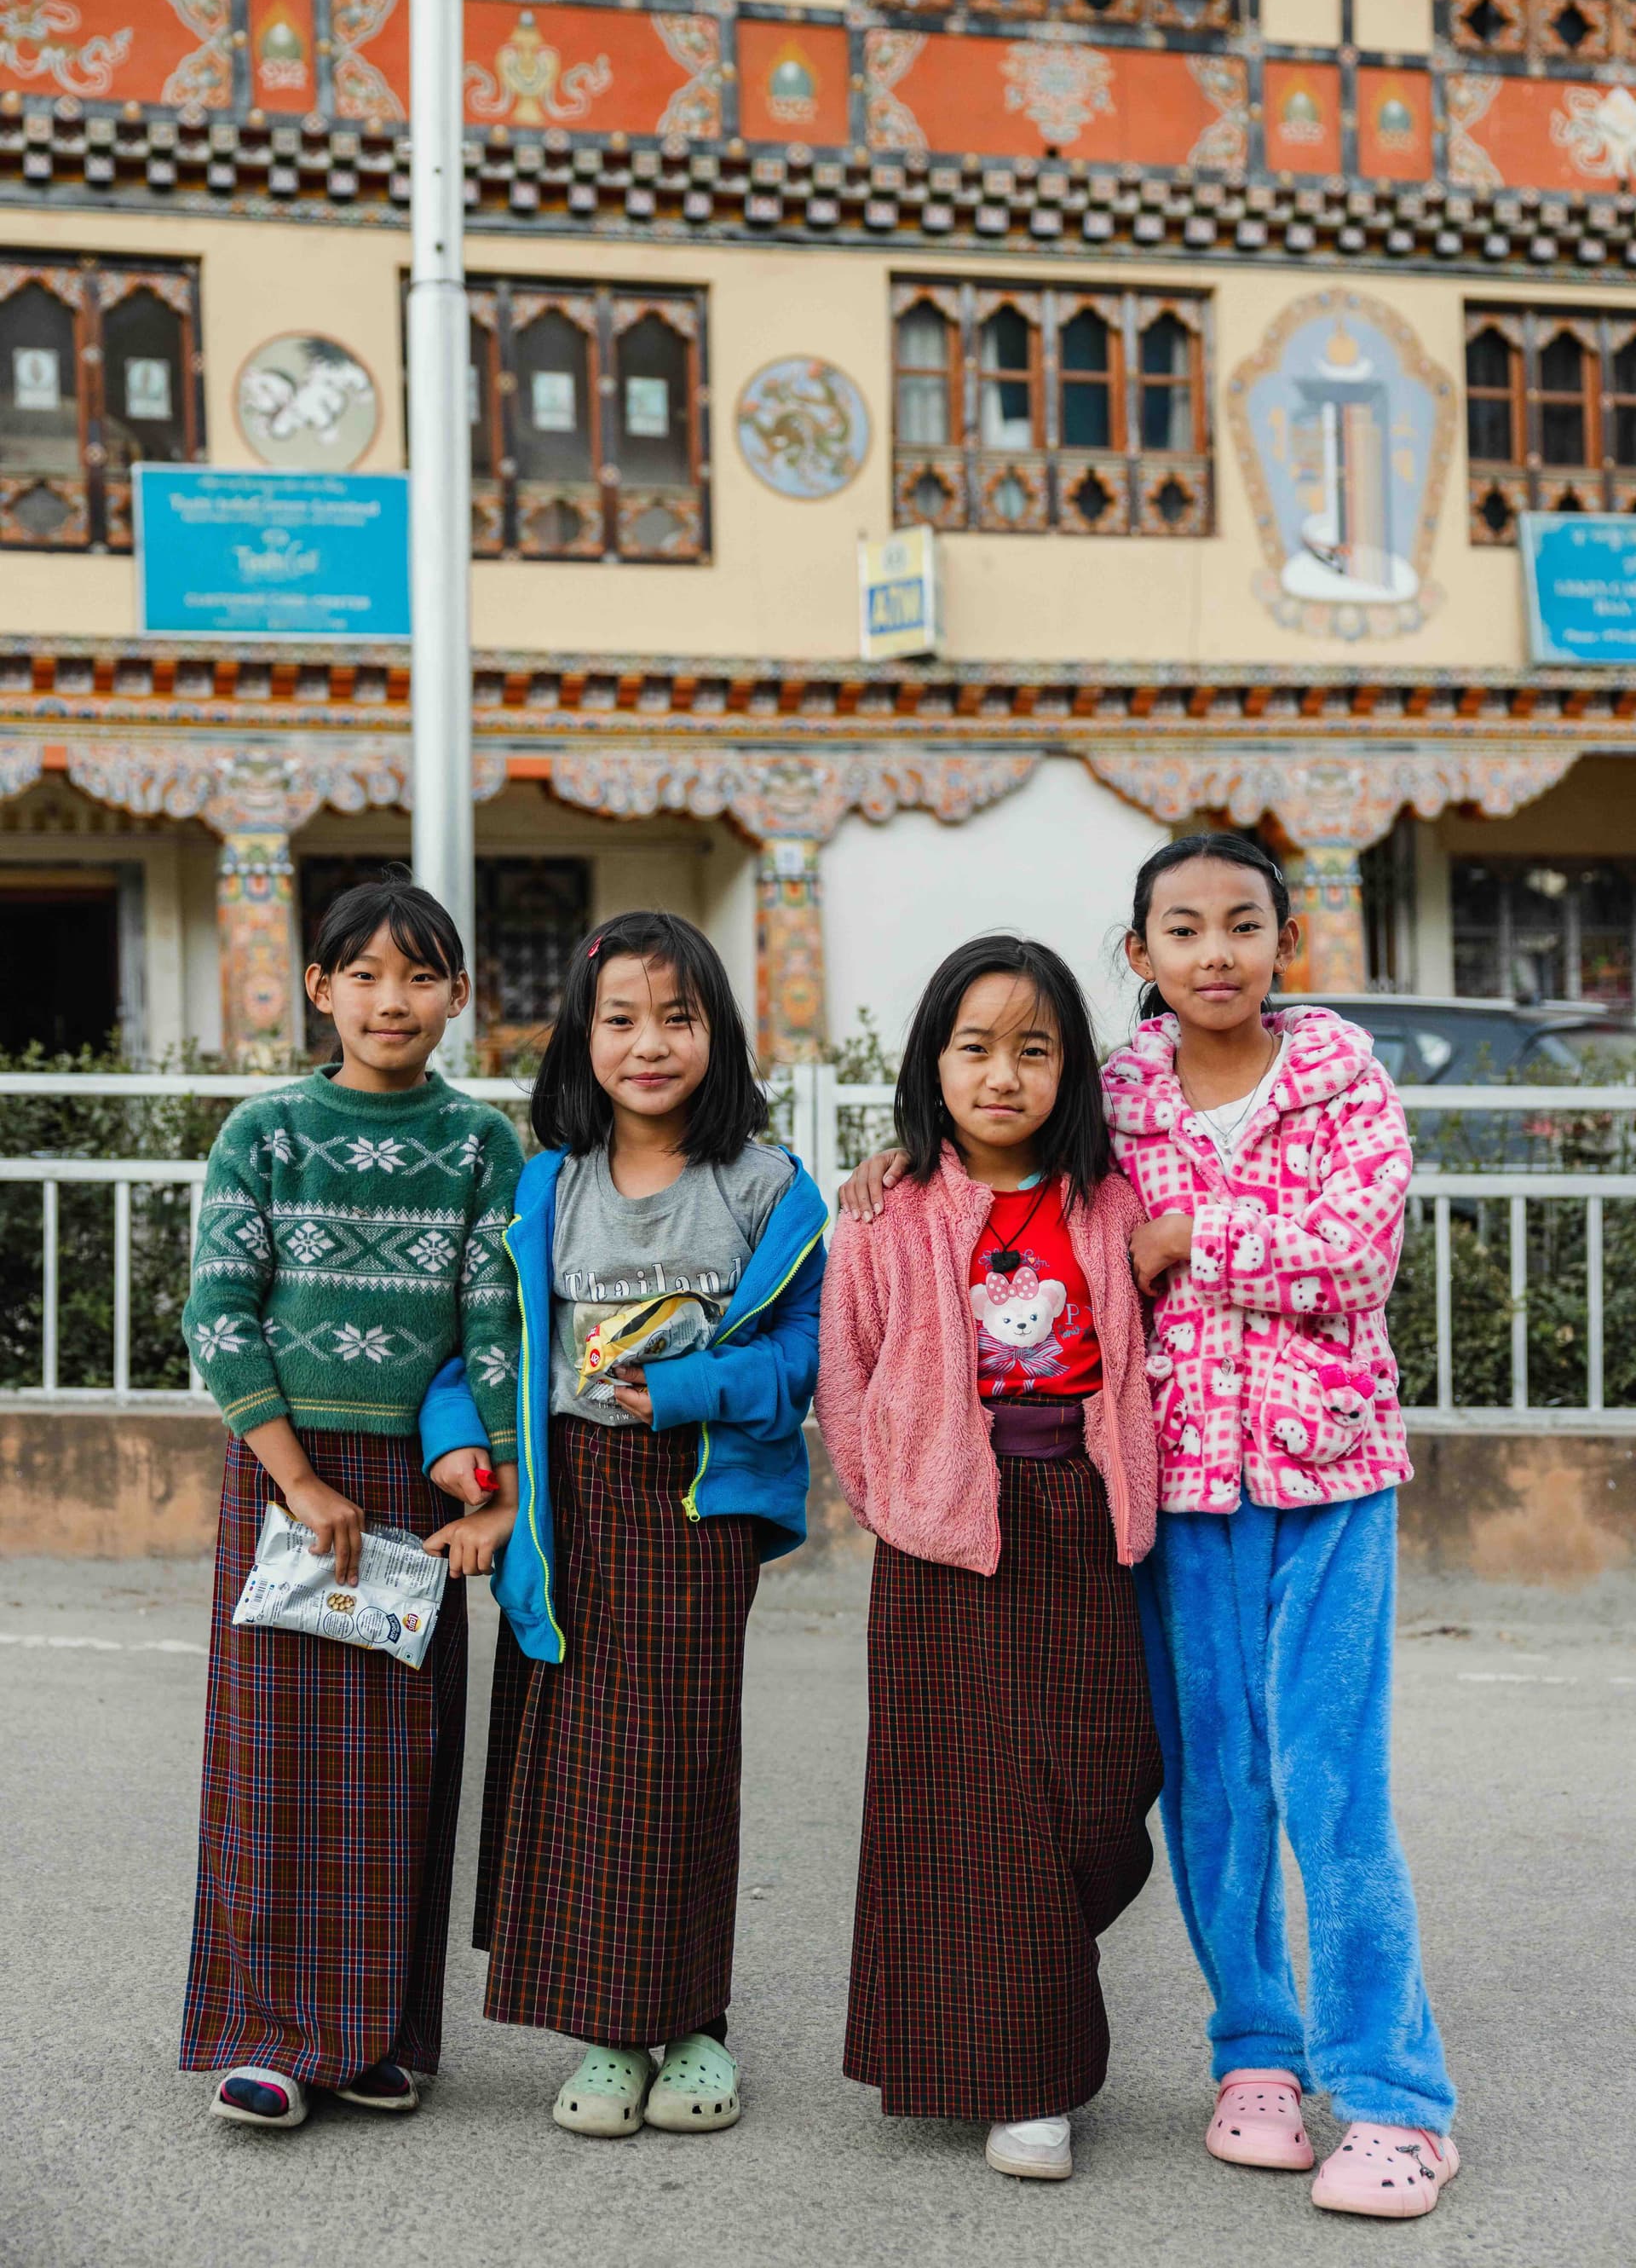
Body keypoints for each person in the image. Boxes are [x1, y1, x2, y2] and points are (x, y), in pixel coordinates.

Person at [842, 842, 1458, 2220]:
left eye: (1244, 924)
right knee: (1217, 1795)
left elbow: (1357, 1247)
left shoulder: (1338, 1073)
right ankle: (1257, 2055)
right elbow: (1017, 1161)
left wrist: (1193, 1240)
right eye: (1184, 929)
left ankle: (1396, 2094)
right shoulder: (1115, 1087)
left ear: (1286, 940)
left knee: (1331, 1787)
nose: (1217, 951)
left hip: (1329, 1481)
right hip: (1173, 1492)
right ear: (1142, 956)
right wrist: (906, 1158)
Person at [418, 911, 827, 2142]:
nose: (650, 1044)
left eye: (679, 1018)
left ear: (719, 1032)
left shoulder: (767, 1187)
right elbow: (487, 1342)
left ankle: (694, 2025)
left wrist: (698, 1388)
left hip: (694, 1507)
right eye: (622, 1019)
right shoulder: (550, 1187)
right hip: (569, 1504)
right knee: (582, 1767)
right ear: (581, 1039)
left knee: (687, 1760)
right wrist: (458, 1438)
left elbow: (810, 1358)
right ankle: (607, 2031)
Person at [179, 867, 522, 2129]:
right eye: (365, 974)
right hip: (285, 1480)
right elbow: (217, 1319)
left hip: (421, 1481)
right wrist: (300, 1479)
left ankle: (376, 2036)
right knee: (271, 1762)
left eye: (421, 975)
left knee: (399, 1764)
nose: (393, 999)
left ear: (459, 996)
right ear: (320, 987)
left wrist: (501, 1490)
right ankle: (267, 2037)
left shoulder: (484, 1144)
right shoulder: (261, 1132)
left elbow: (495, 1328)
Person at [818, 937, 1161, 2185]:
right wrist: (897, 1496)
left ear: (1070, 1069)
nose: (1003, 1074)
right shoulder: (886, 1210)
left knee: (1101, 1780)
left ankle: (1022, 2012)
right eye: (976, 1047)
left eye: (1035, 1048)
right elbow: (844, 1375)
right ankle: (1026, 2083)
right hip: (941, 1533)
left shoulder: (1109, 1202)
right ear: (934, 1062)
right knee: (972, 1812)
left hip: (1083, 1514)